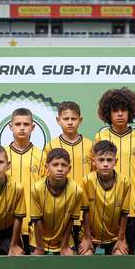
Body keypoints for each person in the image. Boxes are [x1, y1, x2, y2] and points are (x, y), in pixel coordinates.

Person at [93, 87, 135, 254]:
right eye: (115, 111)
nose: (120, 114)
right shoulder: (100, 136)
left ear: (131, 112)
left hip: (132, 205)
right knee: (108, 251)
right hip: (106, 205)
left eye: (124, 110)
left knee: (126, 253)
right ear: (108, 113)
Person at [44, 101, 92, 255]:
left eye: (74, 118)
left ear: (81, 120)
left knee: (84, 254)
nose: (70, 122)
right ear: (58, 121)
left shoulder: (90, 146)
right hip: (60, 213)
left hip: (84, 212)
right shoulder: (51, 146)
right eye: (66, 119)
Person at [30, 148, 87, 255]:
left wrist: (64, 246)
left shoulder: (76, 190)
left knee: (69, 268)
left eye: (64, 165)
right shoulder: (36, 189)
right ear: (46, 167)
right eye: (55, 165)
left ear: (69, 169)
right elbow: (37, 221)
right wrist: (40, 248)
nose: (60, 169)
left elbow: (70, 220)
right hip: (39, 240)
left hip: (64, 240)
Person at [80, 140, 131, 255]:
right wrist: (87, 237)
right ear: (94, 161)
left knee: (120, 255)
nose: (105, 164)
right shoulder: (87, 181)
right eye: (101, 160)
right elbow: (85, 211)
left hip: (114, 236)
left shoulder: (124, 182)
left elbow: (124, 213)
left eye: (109, 160)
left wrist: (121, 239)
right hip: (90, 235)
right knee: (85, 256)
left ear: (115, 161)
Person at [6, 108, 45, 253]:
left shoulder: (42, 156)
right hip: (8, 224)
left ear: (33, 127)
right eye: (17, 124)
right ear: (10, 126)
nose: (22, 128)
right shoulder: (2, 156)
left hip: (34, 223)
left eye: (26, 124)